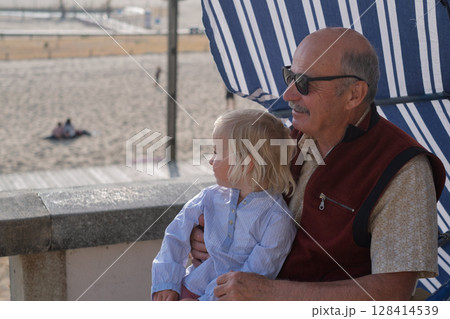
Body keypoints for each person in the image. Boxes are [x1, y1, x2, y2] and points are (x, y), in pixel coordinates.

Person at [190, 27, 446, 300]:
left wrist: (271, 293)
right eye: (290, 76)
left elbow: (392, 293)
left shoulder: (403, 170)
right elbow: (239, 198)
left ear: (354, 95)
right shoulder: (290, 138)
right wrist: (208, 234)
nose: (288, 94)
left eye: (304, 83)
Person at [151, 109, 297, 301]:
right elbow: (175, 236)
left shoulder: (277, 220)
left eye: (216, 152)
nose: (211, 160)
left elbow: (252, 278)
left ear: (245, 162)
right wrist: (166, 283)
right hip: (189, 286)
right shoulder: (209, 197)